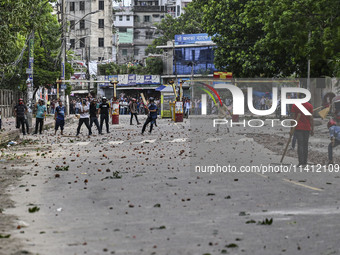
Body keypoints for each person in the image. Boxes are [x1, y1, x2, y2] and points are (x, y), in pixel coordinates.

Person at [291, 94, 314, 166]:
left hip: (298, 128)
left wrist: (291, 129)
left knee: (300, 145)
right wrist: (312, 129)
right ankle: (305, 162)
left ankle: (300, 162)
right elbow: (311, 119)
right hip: (307, 128)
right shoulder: (309, 106)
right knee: (305, 145)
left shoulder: (295, 105)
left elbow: (292, 118)